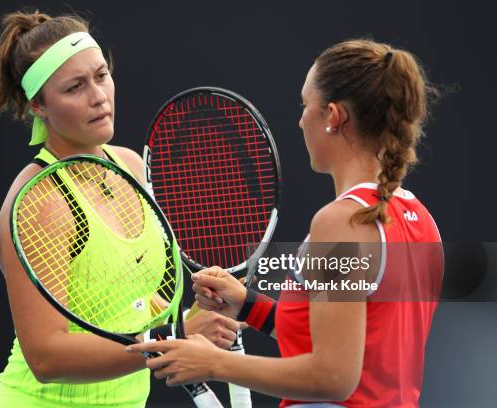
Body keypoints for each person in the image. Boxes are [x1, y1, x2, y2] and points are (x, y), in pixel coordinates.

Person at [127, 39, 443, 407]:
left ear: (334, 117)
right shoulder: (421, 219)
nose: (300, 119)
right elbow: (350, 342)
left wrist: (214, 363)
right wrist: (249, 306)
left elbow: (334, 377)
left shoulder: (342, 223)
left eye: (306, 105)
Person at [0, 10, 240, 408]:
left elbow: (133, 313)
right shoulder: (41, 202)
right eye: (74, 87)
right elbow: (46, 358)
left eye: (101, 75)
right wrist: (178, 333)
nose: (98, 96)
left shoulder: (131, 166)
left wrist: (196, 313)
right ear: (38, 107)